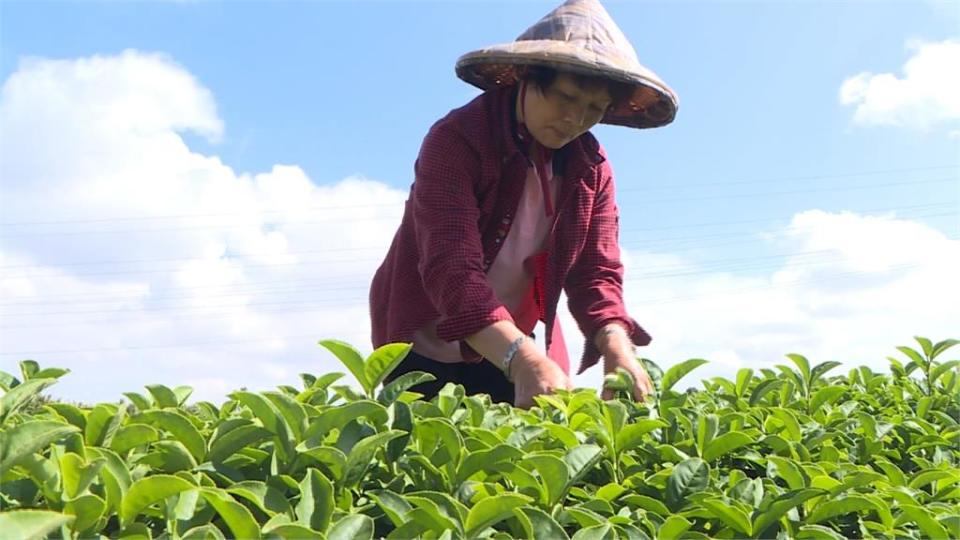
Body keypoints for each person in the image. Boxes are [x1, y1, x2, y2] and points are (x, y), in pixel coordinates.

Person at [369, 0, 678, 408]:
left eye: (593, 109)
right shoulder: (458, 140)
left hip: (510, 339)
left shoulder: (591, 168)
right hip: (428, 338)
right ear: (527, 80)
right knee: (423, 452)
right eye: (566, 98)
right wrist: (522, 357)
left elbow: (596, 273)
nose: (575, 120)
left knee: (508, 458)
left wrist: (617, 345)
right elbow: (451, 264)